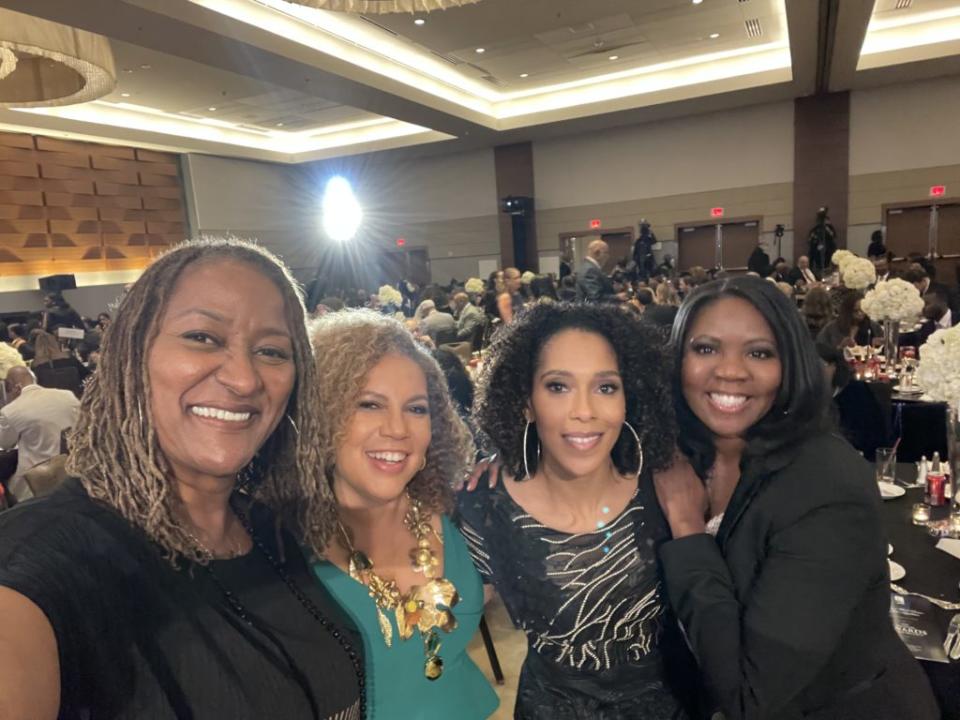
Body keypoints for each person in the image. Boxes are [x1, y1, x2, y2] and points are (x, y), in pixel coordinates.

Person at [0, 238, 365, 719]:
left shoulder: (273, 530)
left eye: (272, 351)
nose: (244, 378)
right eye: (203, 337)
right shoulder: (41, 566)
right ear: (131, 353)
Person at [653, 275, 938, 720]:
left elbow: (752, 696)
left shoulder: (826, 482)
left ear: (790, 364)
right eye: (705, 348)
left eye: (759, 352)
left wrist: (688, 530)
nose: (730, 370)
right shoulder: (679, 451)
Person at [459, 303, 695, 720]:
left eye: (606, 387)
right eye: (558, 387)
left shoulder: (667, 486)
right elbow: (438, 634)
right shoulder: (486, 509)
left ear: (629, 397)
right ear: (525, 401)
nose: (584, 411)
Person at [310, 311, 498, 720]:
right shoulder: (279, 544)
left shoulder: (456, 506)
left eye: (416, 409)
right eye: (369, 404)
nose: (397, 429)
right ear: (319, 413)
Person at [0, 366, 79, 500]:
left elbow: (5, 444)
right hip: (75, 472)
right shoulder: (68, 395)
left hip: (35, 482)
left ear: (15, 387)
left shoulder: (11, 411)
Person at [816, 343, 890, 461]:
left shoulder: (856, 393)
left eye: (819, 365)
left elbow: (869, 437)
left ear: (834, 367)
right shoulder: (808, 396)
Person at [808, 206, 837, 274]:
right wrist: (817, 244)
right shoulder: (815, 230)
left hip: (828, 252)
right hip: (817, 254)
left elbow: (833, 236)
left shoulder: (829, 228)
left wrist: (826, 227)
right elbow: (810, 240)